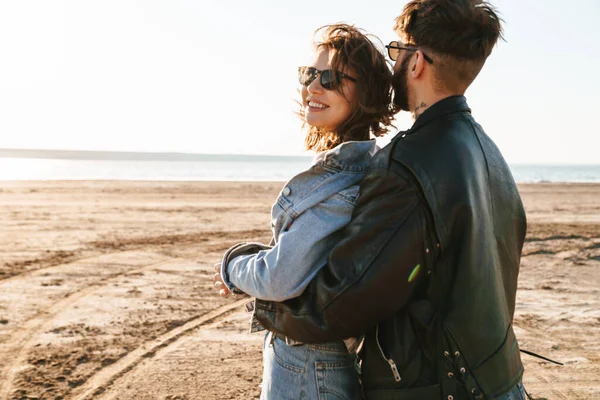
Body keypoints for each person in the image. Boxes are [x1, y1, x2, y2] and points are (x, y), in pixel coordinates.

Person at [235, 1, 528, 399]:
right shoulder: (491, 155)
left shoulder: (410, 165)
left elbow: (345, 301)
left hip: (440, 387)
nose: (393, 67)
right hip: (499, 379)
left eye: (397, 52)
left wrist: (259, 294)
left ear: (417, 62)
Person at [214, 24, 393, 399]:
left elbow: (280, 279)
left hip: (307, 363)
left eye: (330, 78)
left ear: (366, 94)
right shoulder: (358, 168)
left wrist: (232, 267)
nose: (313, 86)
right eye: (309, 74)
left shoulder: (340, 182)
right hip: (314, 359)